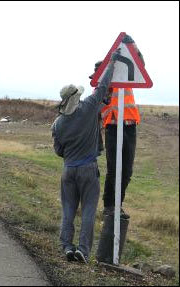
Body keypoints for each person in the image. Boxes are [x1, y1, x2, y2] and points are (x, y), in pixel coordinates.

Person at [51, 49, 120, 264]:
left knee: (68, 210)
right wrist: (113, 61)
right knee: (89, 211)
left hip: (68, 170)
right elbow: (102, 86)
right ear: (77, 97)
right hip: (88, 170)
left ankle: (66, 247)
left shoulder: (58, 123)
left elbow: (58, 151)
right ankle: (82, 250)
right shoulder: (89, 108)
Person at [91, 35, 143, 219]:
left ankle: (117, 205)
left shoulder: (127, 77)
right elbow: (99, 104)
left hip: (130, 126)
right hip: (113, 127)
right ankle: (109, 207)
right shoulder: (102, 85)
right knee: (114, 170)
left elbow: (140, 64)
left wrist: (132, 45)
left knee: (127, 171)